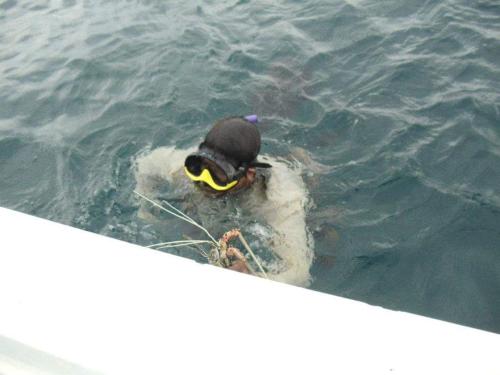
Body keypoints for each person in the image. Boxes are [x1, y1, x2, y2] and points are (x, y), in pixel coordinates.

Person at [135, 115, 315, 286]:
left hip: (285, 177)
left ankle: (300, 156)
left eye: (217, 175)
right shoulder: (184, 166)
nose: (203, 182)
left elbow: (299, 273)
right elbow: (146, 163)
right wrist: (145, 204)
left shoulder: (280, 199)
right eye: (199, 168)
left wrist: (255, 277)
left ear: (249, 174)